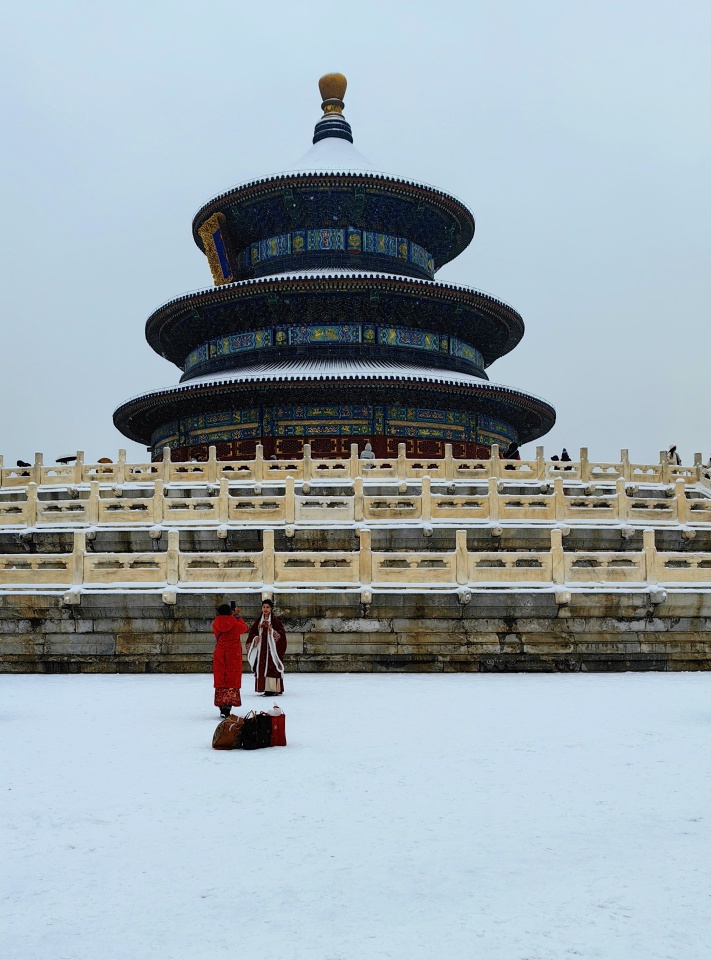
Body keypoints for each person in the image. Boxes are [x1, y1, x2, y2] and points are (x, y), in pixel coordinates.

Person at [212, 603, 249, 718]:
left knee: (221, 677)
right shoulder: (235, 623)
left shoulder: (215, 623)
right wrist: (237, 616)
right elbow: (244, 628)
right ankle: (228, 705)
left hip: (220, 653)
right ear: (230, 612)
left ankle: (221, 704)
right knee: (231, 679)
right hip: (233, 653)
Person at [246, 599, 287, 696]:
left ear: (271, 609)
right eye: (264, 607)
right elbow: (252, 633)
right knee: (262, 667)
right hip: (261, 649)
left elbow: (281, 635)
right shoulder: (258, 621)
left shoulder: (276, 621)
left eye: (267, 607)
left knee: (272, 667)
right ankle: (263, 687)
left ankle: (273, 688)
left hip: (271, 649)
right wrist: (255, 638)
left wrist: (271, 631)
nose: (265, 609)